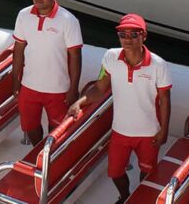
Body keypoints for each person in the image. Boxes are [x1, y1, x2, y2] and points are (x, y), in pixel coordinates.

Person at [69, 14, 171, 204]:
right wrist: (80, 102)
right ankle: (125, 197)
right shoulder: (110, 56)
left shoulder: (158, 65)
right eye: (123, 34)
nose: (127, 39)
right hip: (120, 130)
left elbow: (165, 99)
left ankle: (142, 200)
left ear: (144, 36)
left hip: (148, 132)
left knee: (147, 172)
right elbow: (100, 88)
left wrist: (164, 130)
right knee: (115, 172)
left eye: (134, 34)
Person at [12, 0, 83, 146]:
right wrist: (16, 82)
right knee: (29, 126)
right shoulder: (23, 15)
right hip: (29, 86)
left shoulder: (69, 20)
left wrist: (73, 89)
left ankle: (50, 158)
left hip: (58, 89)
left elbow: (75, 56)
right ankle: (38, 150)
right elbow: (18, 50)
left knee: (56, 129)